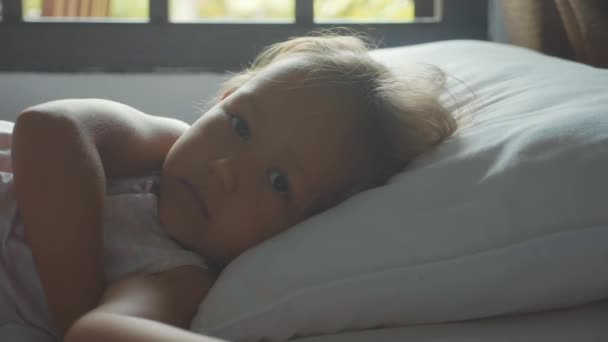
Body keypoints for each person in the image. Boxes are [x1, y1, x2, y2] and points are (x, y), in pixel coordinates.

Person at [0, 32, 459, 342]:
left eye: (279, 181)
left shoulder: (177, 276)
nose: (224, 167)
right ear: (222, 100)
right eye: (239, 125)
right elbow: (49, 127)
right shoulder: (160, 144)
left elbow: (99, 332)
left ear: (304, 230)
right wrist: (73, 304)